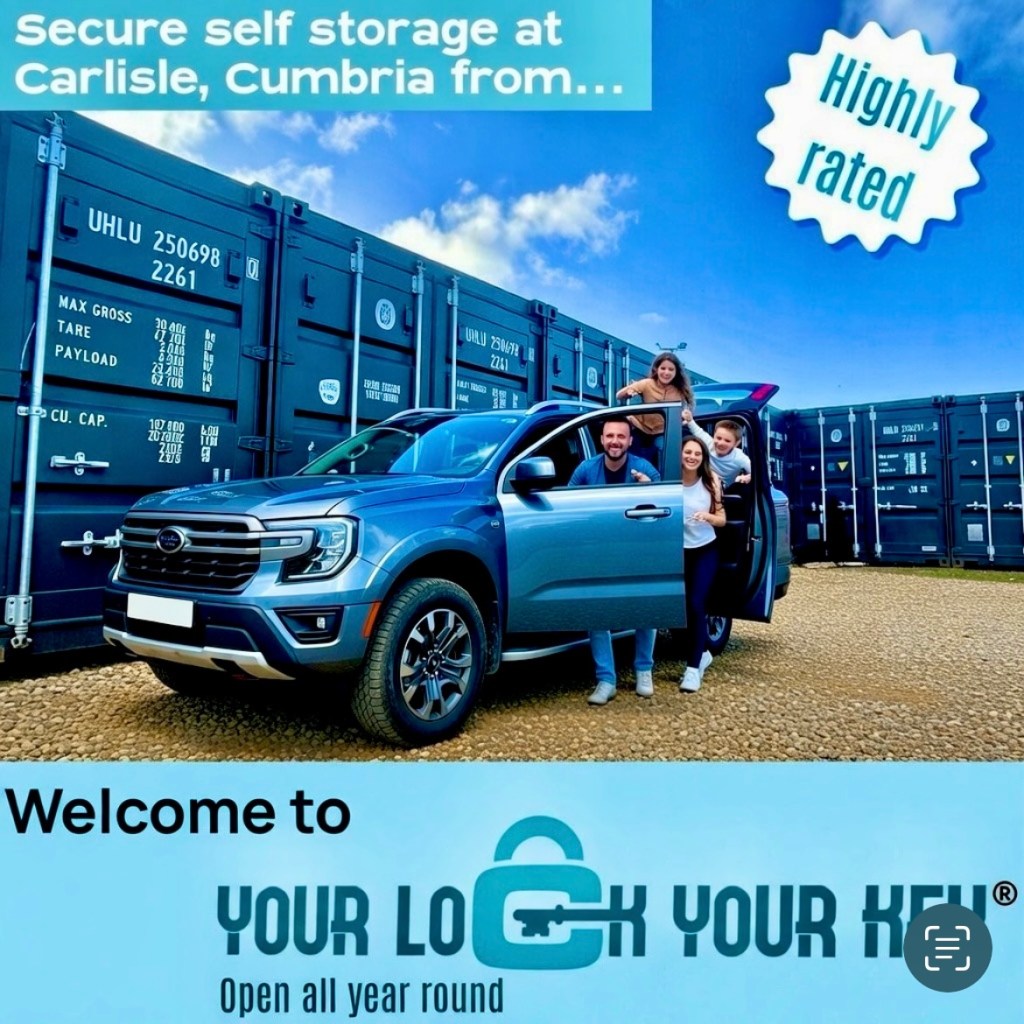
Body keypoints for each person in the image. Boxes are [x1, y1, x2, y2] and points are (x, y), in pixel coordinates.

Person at [568, 417, 660, 704]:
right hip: (599, 551)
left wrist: (648, 489)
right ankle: (606, 680)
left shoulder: (645, 469)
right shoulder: (586, 469)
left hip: (637, 551)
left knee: (646, 608)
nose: (615, 442)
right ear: (602, 439)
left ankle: (644, 670)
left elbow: (663, 509)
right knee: (598, 612)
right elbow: (567, 506)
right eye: (610, 436)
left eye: (621, 436)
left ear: (630, 440)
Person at [680, 435, 726, 693]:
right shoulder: (671, 481)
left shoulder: (710, 481)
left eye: (697, 454)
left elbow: (722, 519)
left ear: (703, 457)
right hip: (679, 551)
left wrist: (707, 516)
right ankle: (703, 653)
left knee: (696, 604)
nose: (692, 457)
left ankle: (692, 669)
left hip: (705, 549)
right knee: (682, 608)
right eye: (688, 452)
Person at [616, 351, 695, 465]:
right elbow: (619, 395)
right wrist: (628, 393)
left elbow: (689, 411)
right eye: (663, 368)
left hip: (663, 431)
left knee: (664, 447)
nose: (666, 372)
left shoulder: (680, 390)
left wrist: (683, 420)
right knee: (632, 450)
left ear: (676, 372)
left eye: (671, 369)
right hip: (640, 428)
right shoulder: (646, 383)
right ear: (656, 369)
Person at [682, 412, 751, 486]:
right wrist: (689, 420)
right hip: (704, 480)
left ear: (736, 444)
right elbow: (698, 431)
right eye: (718, 438)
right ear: (714, 436)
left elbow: (756, 471)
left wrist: (747, 477)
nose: (721, 443)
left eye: (727, 441)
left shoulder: (740, 458)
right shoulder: (709, 443)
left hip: (723, 487)